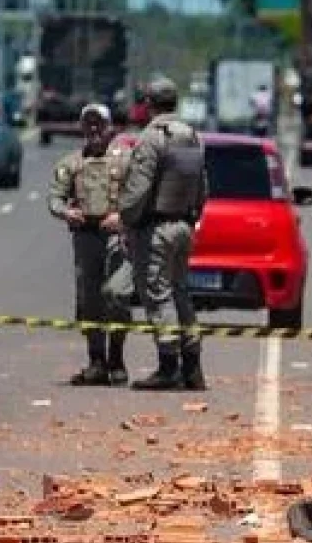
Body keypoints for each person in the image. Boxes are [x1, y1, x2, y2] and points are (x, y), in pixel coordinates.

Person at [117, 77, 210, 391]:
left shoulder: (152, 138)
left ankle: (168, 367)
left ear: (148, 104)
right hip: (184, 225)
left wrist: (126, 221)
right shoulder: (191, 135)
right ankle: (192, 366)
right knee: (181, 292)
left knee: (158, 294)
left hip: (156, 228)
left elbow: (138, 189)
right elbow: (202, 185)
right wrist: (193, 215)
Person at [47, 104, 134, 387]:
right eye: (89, 123)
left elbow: (141, 195)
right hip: (85, 238)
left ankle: (117, 358)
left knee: (117, 295)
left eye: (100, 123)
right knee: (89, 300)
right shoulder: (71, 163)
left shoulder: (126, 162)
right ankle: (96, 360)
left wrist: (122, 216)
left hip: (116, 239)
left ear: (111, 128)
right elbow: (55, 197)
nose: (94, 129)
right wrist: (65, 212)